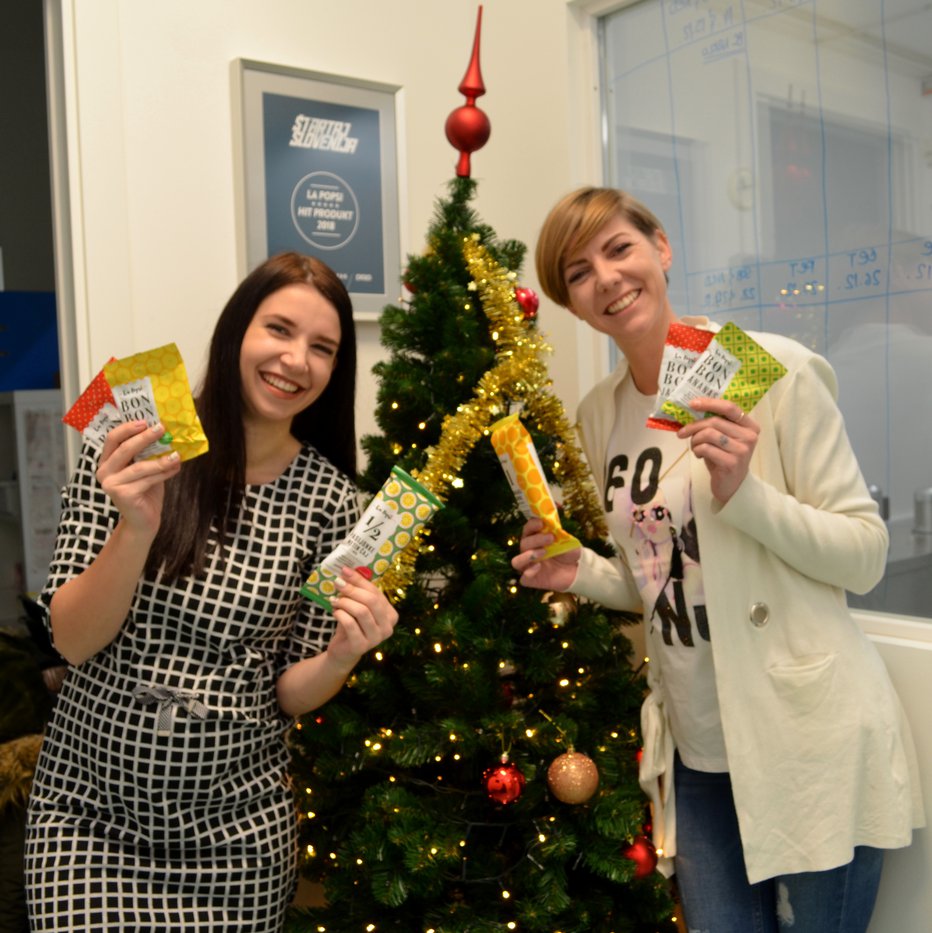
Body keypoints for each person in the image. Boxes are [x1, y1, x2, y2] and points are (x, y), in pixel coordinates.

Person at [513, 187, 925, 932]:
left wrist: (745, 492)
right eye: (578, 272)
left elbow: (864, 553)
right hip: (699, 748)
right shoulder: (599, 413)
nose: (606, 279)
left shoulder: (768, 368)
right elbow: (662, 578)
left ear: (661, 249)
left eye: (619, 249)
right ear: (570, 302)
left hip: (804, 735)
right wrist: (581, 571)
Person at [24, 252, 399, 932]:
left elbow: (289, 689)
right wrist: (136, 527)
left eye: (323, 347)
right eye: (278, 329)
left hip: (236, 839)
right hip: (89, 818)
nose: (296, 359)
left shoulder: (332, 499)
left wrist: (344, 652)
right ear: (235, 332)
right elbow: (72, 639)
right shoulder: (134, 438)